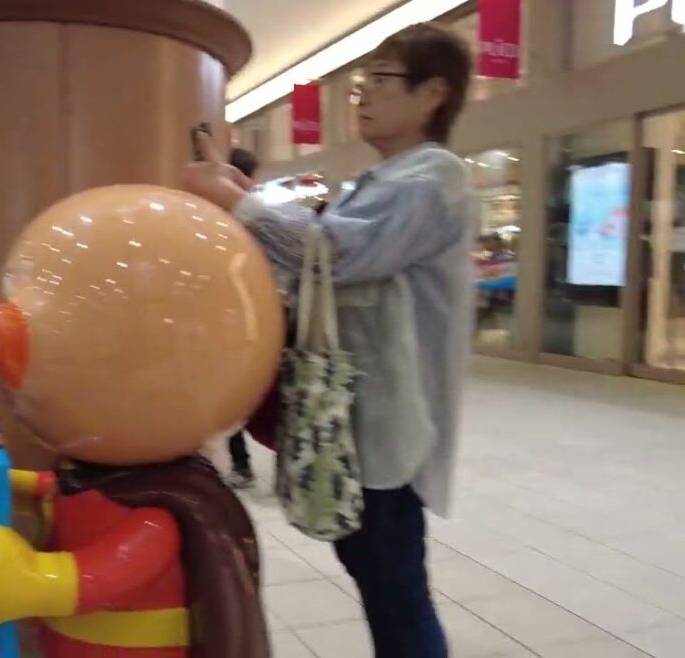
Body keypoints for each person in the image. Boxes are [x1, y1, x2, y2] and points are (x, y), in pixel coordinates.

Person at [182, 23, 476, 658]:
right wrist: (240, 195)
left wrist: (240, 204)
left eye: (382, 81)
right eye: (361, 84)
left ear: (433, 95)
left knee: (396, 591)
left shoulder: (433, 179)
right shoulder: (388, 178)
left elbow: (338, 253)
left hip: (387, 432)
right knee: (380, 581)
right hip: (355, 425)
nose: (363, 94)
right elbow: (320, 258)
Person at [225, 147, 260, 489]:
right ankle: (241, 462)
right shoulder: (252, 212)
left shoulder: (229, 215)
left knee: (234, 400)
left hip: (230, 320)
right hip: (251, 318)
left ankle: (241, 462)